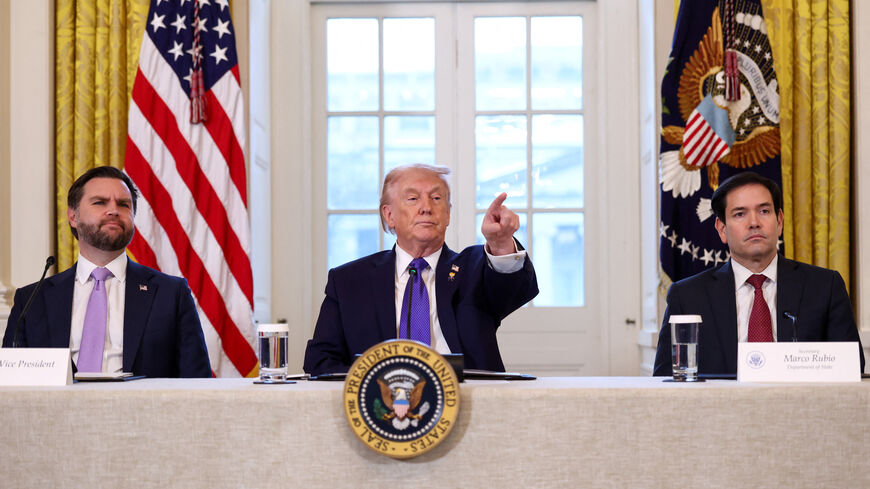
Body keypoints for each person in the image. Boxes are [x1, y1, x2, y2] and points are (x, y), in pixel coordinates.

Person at [303, 164, 538, 375]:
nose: (426, 207)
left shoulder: (474, 269)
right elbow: (321, 362)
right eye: (413, 199)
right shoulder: (349, 281)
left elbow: (511, 287)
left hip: (468, 402)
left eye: (436, 198)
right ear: (389, 215)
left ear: (447, 214)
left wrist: (500, 244)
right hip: (381, 408)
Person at [2, 166, 212, 378]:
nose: (113, 210)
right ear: (73, 217)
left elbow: (196, 381)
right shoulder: (32, 300)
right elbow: (12, 384)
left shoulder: (171, 293)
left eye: (123, 204)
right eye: (100, 202)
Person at [654, 172, 865, 376]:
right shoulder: (687, 296)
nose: (754, 222)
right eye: (740, 214)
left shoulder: (824, 286)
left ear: (779, 221)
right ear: (721, 229)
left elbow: (851, 366)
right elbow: (666, 379)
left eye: (764, 211)